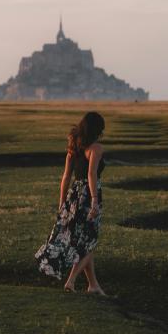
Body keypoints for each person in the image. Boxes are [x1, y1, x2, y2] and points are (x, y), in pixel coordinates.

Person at [34, 111, 107, 295]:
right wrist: (95, 201)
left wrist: (62, 202)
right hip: (88, 195)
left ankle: (93, 285)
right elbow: (91, 175)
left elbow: (66, 177)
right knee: (90, 241)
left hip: (73, 195)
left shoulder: (73, 146)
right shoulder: (96, 148)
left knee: (83, 240)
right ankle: (71, 281)